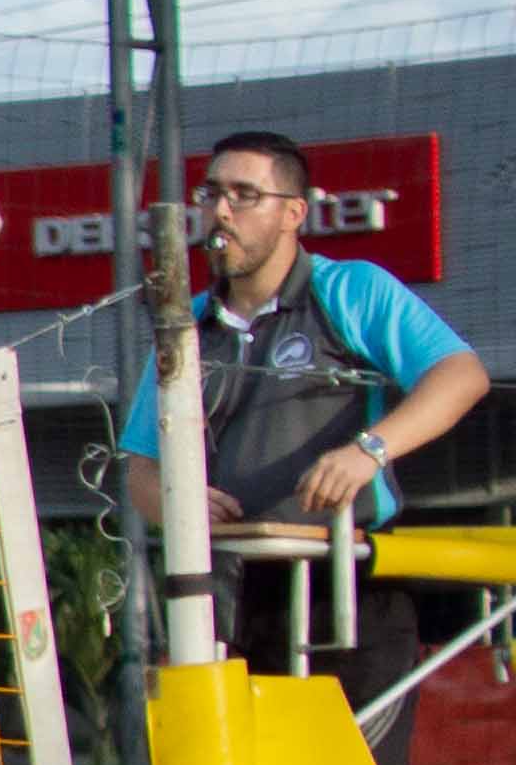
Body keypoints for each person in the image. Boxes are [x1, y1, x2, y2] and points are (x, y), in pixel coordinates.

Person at [116, 126, 489, 715]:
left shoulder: (350, 290)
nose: (221, 210)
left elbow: (462, 376)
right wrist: (175, 500)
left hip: (346, 588)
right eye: (210, 193)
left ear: (294, 212)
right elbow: (140, 465)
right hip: (230, 598)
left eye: (244, 194)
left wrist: (368, 450)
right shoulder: (184, 327)